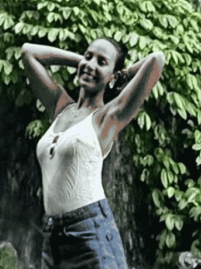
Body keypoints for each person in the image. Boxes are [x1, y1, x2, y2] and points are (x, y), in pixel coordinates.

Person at [21, 38, 165, 269]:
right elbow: (29, 52)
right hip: (52, 235)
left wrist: (119, 75)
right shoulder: (60, 107)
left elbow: (156, 60)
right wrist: (82, 62)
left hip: (90, 233)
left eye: (102, 61)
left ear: (112, 77)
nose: (91, 64)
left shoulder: (108, 118)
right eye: (88, 56)